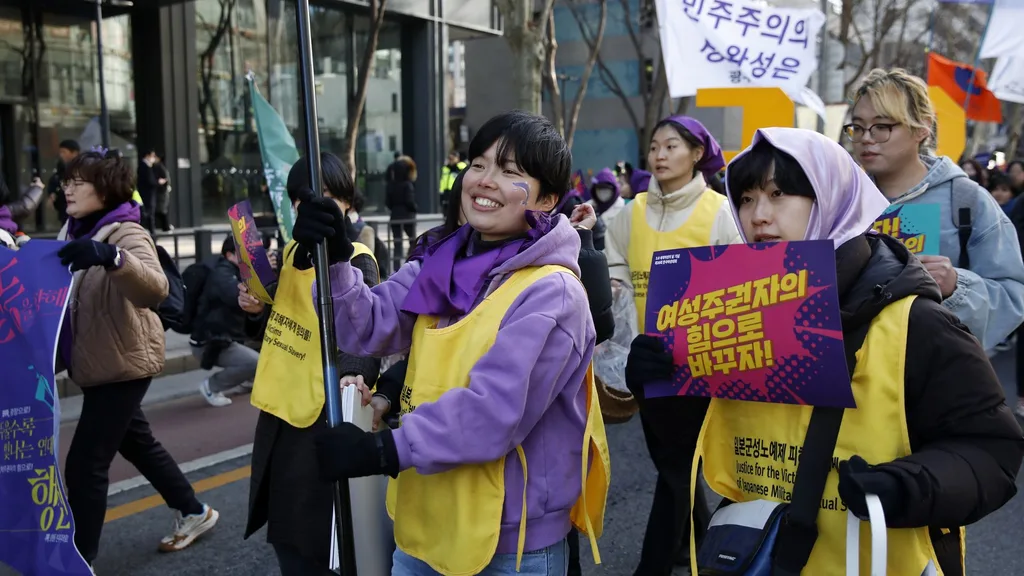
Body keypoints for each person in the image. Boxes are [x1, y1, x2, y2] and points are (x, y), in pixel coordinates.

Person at [631, 126, 1023, 575]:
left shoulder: (915, 320)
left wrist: (907, 487)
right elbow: (694, 445)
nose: (758, 215)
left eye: (780, 194)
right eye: (745, 198)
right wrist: (658, 386)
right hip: (751, 556)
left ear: (832, 197)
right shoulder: (730, 312)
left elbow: (992, 451)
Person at [297, 111, 608, 575]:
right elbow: (366, 327)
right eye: (478, 164)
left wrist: (382, 451)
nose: (484, 181)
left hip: (511, 546)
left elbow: (493, 414)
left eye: (510, 171)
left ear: (547, 198)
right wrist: (338, 259)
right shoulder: (439, 263)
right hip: (422, 525)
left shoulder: (553, 292)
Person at [56, 150, 218, 568]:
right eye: (66, 181)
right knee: (138, 444)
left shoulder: (126, 233)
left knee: (85, 464)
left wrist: (113, 259)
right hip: (98, 360)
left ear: (105, 188)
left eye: (79, 181)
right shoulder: (72, 230)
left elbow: (154, 289)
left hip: (124, 362)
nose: (67, 188)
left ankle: (79, 560)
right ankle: (194, 511)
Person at [606, 115, 740, 576]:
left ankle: (656, 563)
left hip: (701, 363)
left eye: (671, 147)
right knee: (676, 462)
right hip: (646, 361)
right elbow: (615, 257)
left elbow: (740, 281)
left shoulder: (719, 210)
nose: (659, 155)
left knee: (675, 465)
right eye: (654, 147)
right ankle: (702, 545)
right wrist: (618, 283)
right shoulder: (632, 208)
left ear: (697, 154)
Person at [241, 152, 383, 576]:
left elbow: (368, 331)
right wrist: (252, 309)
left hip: (322, 414)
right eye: (303, 198)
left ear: (346, 201)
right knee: (287, 532)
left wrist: (356, 378)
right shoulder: (288, 253)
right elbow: (279, 318)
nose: (314, 205)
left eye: (327, 195)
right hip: (280, 410)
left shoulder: (355, 258)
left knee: (316, 540)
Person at [848, 68, 1024, 352]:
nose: (866, 138)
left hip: (939, 375)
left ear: (922, 128)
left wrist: (957, 286)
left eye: (882, 126)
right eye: (857, 127)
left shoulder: (966, 200)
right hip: (856, 377)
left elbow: (1013, 296)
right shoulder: (842, 202)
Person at [191, 236, 262, 407]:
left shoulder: (233, 271)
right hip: (210, 341)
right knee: (254, 362)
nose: (249, 257)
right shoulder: (223, 273)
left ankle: (249, 381)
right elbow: (236, 297)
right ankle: (211, 386)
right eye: (244, 253)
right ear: (230, 255)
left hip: (225, 336)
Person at [386, 155, 419, 269]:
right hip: (407, 216)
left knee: (397, 244)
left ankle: (396, 268)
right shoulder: (407, 185)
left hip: (394, 216)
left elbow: (387, 202)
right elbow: (409, 202)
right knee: (412, 241)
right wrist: (415, 208)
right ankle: (411, 265)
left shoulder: (391, 184)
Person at [48, 139, 80, 224]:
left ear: (74, 153)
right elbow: (55, 180)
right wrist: (52, 192)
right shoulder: (61, 169)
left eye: (64, 152)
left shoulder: (81, 168)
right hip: (64, 209)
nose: (61, 155)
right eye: (60, 152)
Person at [588, 167, 627, 233]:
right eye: (600, 189)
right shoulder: (587, 206)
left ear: (614, 190)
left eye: (606, 190)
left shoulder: (625, 208)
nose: (603, 193)